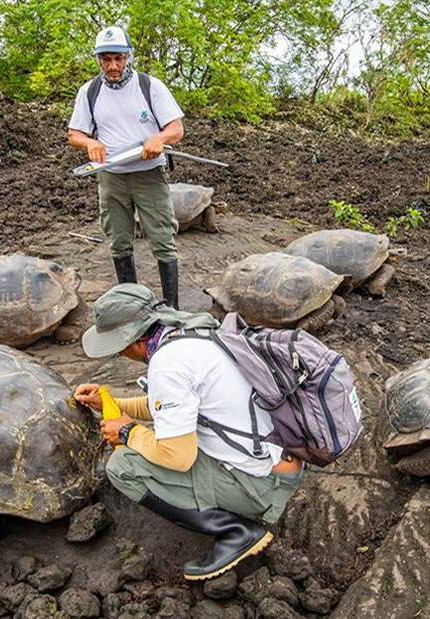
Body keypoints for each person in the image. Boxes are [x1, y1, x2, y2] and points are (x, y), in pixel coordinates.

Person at [73, 284, 304, 580]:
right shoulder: (196, 332)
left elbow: (178, 457)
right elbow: (174, 405)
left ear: (132, 341)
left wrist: (128, 432)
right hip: (283, 457)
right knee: (161, 437)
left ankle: (236, 533)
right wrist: (112, 404)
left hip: (264, 486)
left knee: (122, 466)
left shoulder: (167, 365)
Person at [66, 26, 186, 308]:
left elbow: (176, 128)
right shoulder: (90, 91)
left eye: (119, 59)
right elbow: (74, 133)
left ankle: (172, 311)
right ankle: (132, 309)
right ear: (98, 60)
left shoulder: (150, 86)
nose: (113, 66)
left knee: (163, 240)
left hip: (149, 174)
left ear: (129, 56)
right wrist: (89, 144)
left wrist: (159, 137)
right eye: (106, 60)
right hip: (111, 177)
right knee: (119, 242)